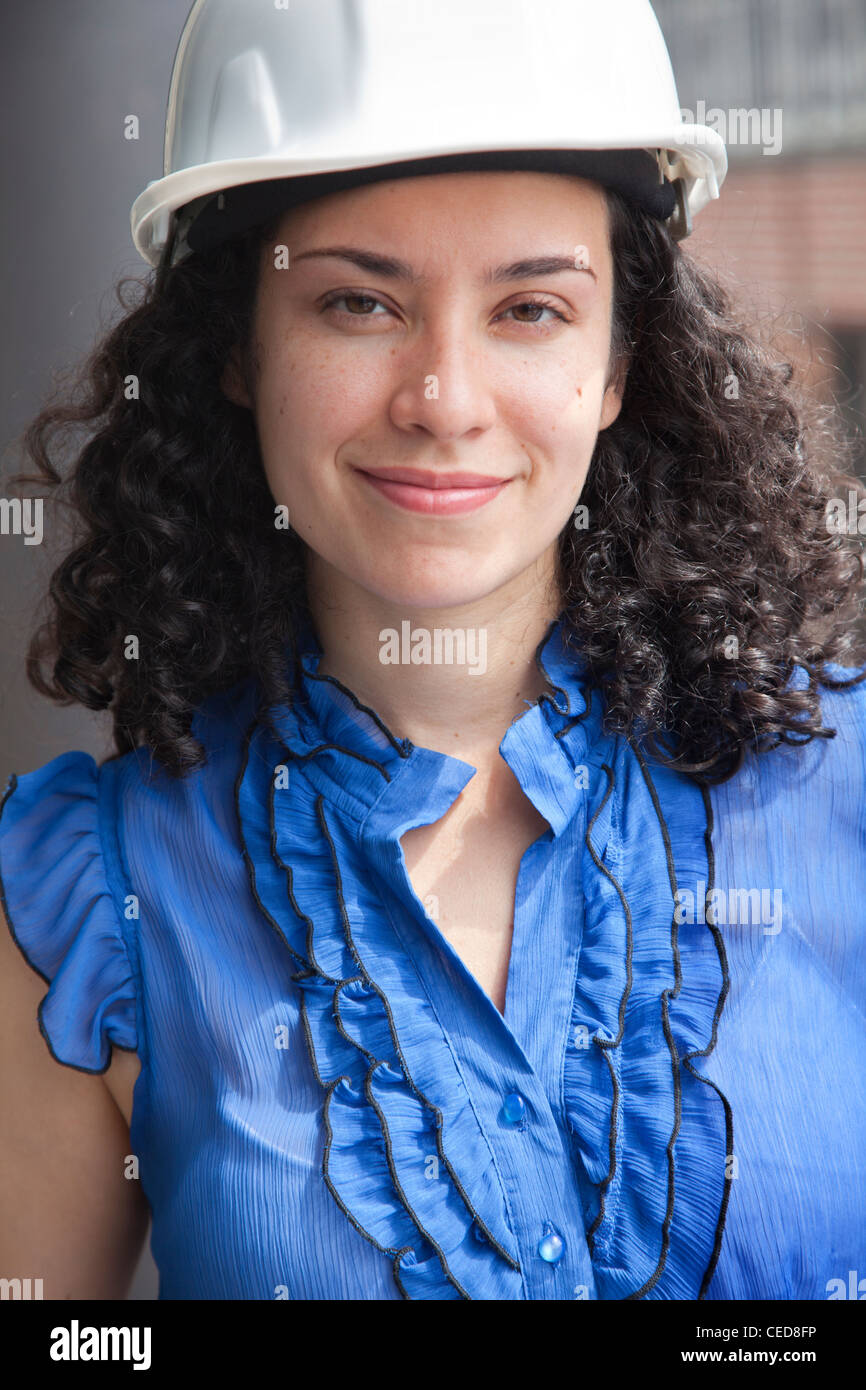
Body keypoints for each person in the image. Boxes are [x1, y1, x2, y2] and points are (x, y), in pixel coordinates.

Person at [1, 0, 865, 1302]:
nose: (443, 399)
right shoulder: (85, 899)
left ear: (620, 361)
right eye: (356, 302)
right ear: (238, 347)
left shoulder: (847, 792)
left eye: (529, 309)